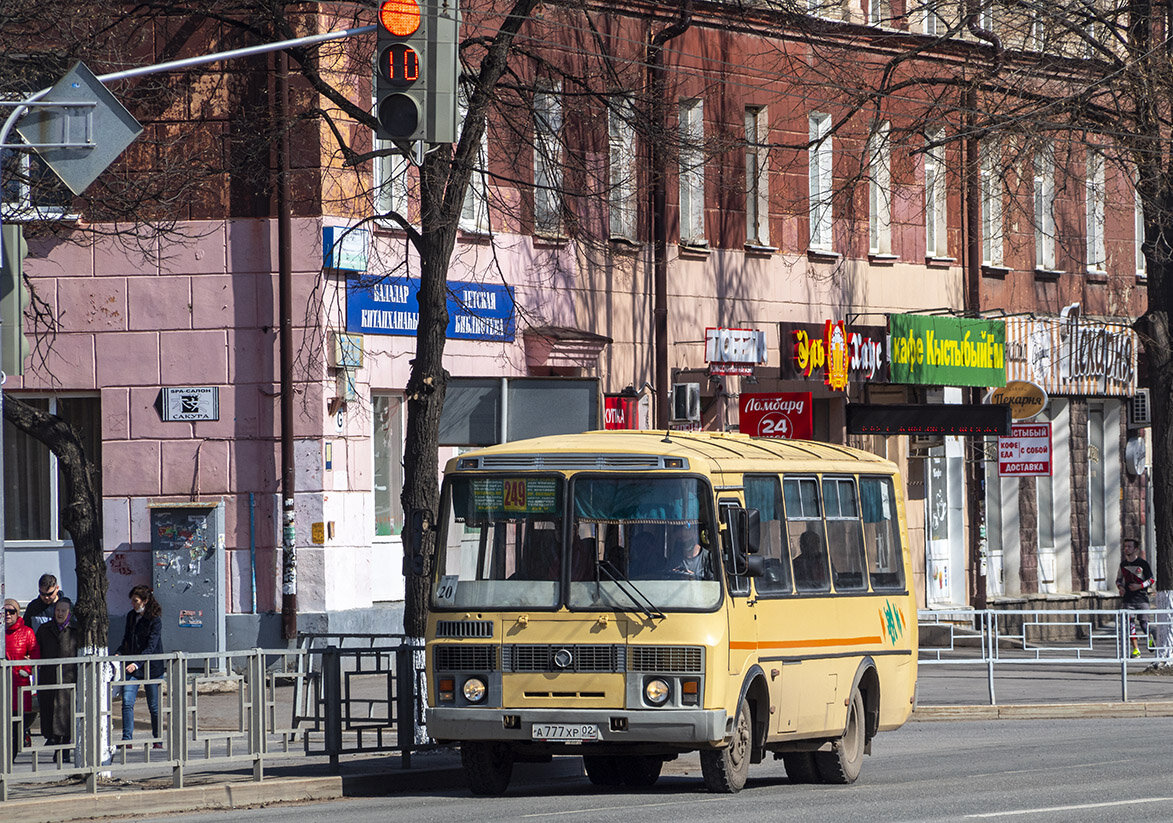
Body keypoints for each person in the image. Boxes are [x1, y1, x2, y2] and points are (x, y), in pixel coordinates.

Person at [116, 585, 164, 746]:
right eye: (132, 601)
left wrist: (137, 663)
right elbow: (127, 639)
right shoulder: (131, 616)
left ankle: (157, 739)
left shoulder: (154, 619)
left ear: (145, 601)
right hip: (133, 668)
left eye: (136, 601)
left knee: (154, 706)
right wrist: (120, 652)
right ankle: (127, 739)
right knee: (127, 702)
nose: (133, 604)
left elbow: (151, 646)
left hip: (151, 668)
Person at [35, 597, 81, 755]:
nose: (60, 613)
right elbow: (37, 650)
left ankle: (64, 751)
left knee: (66, 715)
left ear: (69, 612)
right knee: (49, 712)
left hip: (69, 678)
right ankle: (54, 742)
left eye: (63, 611)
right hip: (49, 677)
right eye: (58, 610)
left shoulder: (76, 630)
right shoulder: (44, 629)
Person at [4, 598, 39, 753]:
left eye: (11, 612)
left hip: (19, 684)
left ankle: (13, 753)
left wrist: (26, 668)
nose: (7, 615)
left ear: (17, 614)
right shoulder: (0, 632)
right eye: (4, 611)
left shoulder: (27, 632)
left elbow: (35, 654)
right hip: (3, 684)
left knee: (18, 724)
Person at [1117, 537, 1154, 658]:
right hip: (1128, 599)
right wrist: (1120, 587)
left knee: (1144, 623)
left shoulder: (1142, 564)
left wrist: (1140, 586)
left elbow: (1152, 579)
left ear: (1136, 549)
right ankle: (1136, 650)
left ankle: (1150, 639)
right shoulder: (1123, 564)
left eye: (1129, 547)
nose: (1126, 549)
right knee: (1130, 624)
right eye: (1125, 546)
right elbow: (1118, 580)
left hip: (1142, 598)